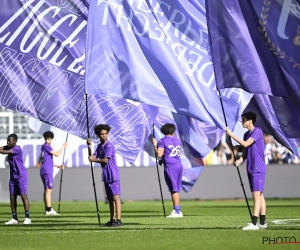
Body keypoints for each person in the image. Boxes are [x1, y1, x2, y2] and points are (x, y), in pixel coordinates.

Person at [226, 112, 267, 230]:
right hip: (251, 167)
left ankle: (254, 223)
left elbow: (245, 143)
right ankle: (263, 223)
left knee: (256, 195)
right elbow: (246, 151)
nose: (242, 122)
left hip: (257, 167)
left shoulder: (257, 131)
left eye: (244, 120)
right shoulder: (246, 134)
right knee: (260, 195)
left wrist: (231, 134)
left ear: (250, 121)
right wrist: (239, 160)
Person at [87, 124, 123, 227]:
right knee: (110, 198)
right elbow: (92, 156)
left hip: (113, 173)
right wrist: (89, 146)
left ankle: (119, 220)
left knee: (116, 197)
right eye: (102, 134)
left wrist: (94, 160)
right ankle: (112, 220)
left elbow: (106, 160)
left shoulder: (109, 145)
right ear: (98, 135)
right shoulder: (99, 146)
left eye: (105, 134)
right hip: (106, 174)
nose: (104, 136)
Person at [152, 123, 183, 218]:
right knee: (176, 188)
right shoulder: (178, 141)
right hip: (178, 165)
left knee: (173, 189)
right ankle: (177, 210)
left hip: (170, 167)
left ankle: (177, 211)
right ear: (173, 131)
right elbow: (179, 153)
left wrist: (155, 145)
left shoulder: (162, 141)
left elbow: (159, 154)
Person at [1, 134, 31, 225]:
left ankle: (27, 218)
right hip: (13, 176)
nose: (8, 142)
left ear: (15, 141)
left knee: (23, 195)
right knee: (12, 196)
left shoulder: (17, 149)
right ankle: (14, 218)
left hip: (21, 175)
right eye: (7, 141)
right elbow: (2, 148)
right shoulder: (8, 146)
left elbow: (4, 152)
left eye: (10, 141)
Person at [37, 131, 67, 216]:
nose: (47, 141)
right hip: (47, 171)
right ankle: (48, 210)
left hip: (45, 170)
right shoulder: (46, 146)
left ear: (52, 139)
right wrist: (63, 147)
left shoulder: (45, 147)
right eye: (46, 139)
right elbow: (57, 154)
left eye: (49, 139)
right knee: (49, 190)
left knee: (47, 189)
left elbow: (49, 161)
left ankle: (47, 208)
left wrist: (58, 166)